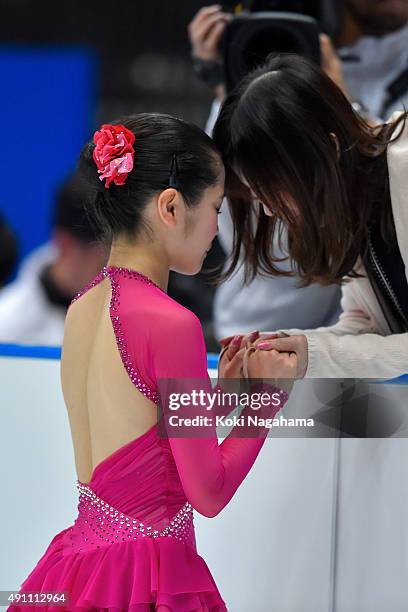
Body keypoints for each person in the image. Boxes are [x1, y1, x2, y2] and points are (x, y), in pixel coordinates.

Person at [7, 114, 295, 611]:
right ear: (171, 206)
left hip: (76, 570)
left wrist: (224, 400)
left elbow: (143, 440)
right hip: (147, 576)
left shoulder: (83, 306)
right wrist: (265, 403)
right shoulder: (172, 325)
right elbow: (206, 493)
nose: (215, 230)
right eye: (213, 208)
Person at [188, 1, 408, 341]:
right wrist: (224, 85)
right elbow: (252, 243)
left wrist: (345, 107)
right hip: (264, 332)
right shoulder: (333, 196)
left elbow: (372, 164)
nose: (269, 208)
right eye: (259, 191)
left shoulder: (387, 167)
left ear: (332, 148)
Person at [212, 53, 408, 379]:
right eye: (258, 196)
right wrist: (297, 346)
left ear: (325, 151)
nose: (271, 210)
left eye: (271, 190)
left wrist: (316, 355)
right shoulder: (348, 202)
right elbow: (372, 326)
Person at [0, 175, 108, 345]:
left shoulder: (128, 319)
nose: (109, 265)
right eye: (99, 251)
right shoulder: (7, 326)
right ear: (64, 243)